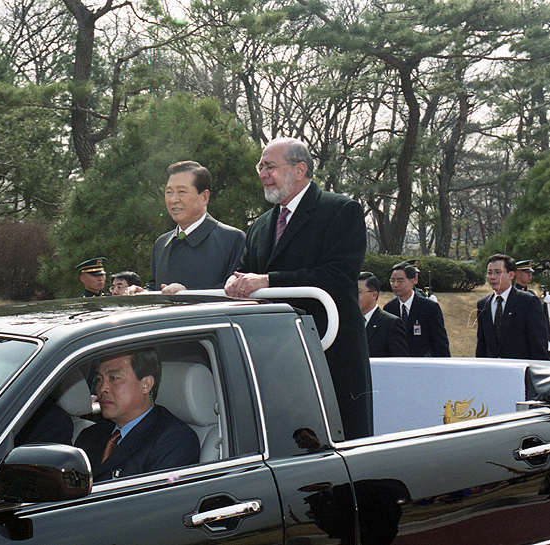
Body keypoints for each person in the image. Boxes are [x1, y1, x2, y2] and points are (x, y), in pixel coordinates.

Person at [224, 137, 372, 440]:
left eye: (270, 166)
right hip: (275, 357)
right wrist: (233, 282)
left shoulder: (341, 210)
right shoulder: (261, 225)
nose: (263, 173)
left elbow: (337, 276)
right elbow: (245, 271)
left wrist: (269, 281)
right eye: (260, 166)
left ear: (300, 169)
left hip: (328, 353)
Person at [74, 349, 199, 482]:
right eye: (99, 379)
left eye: (114, 378)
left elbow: (155, 501)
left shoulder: (175, 440)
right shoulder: (90, 435)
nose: (102, 388)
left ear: (146, 385)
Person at [134, 161, 245, 295]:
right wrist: (140, 292)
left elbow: (237, 292)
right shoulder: (162, 243)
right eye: (169, 192)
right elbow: (156, 285)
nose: (173, 199)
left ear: (204, 197)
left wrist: (188, 293)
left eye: (181, 192)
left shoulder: (231, 239)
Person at [476, 254, 549, 360]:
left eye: (497, 272)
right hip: (492, 371)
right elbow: (482, 345)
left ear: (511, 275)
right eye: (489, 273)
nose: (492, 277)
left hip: (519, 370)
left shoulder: (528, 301)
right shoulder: (483, 304)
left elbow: (538, 343)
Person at [383, 263, 450, 357]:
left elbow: (440, 343)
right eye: (392, 281)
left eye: (400, 281)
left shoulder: (429, 308)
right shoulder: (389, 308)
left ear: (413, 281)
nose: (395, 285)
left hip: (423, 365)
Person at [358, 272, 409, 358]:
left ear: (374, 295)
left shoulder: (391, 324)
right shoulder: (349, 323)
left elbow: (400, 362)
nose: (354, 296)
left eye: (359, 292)